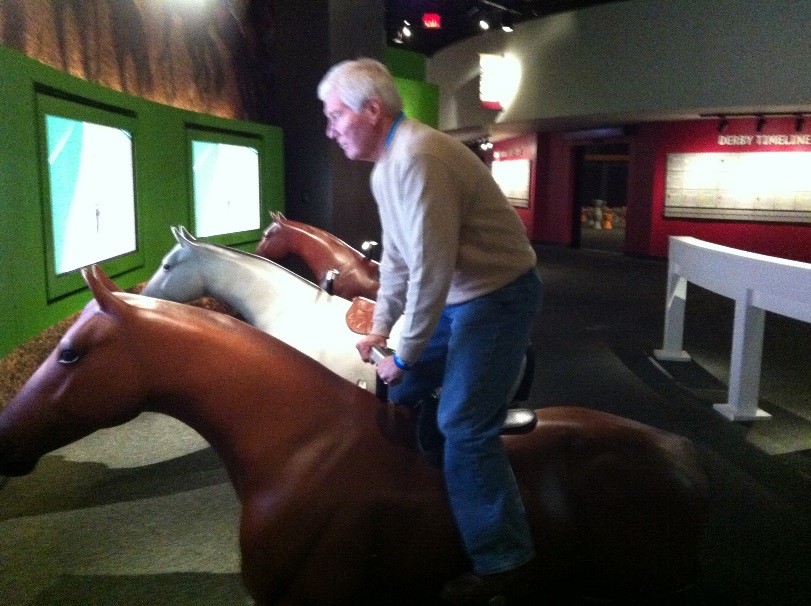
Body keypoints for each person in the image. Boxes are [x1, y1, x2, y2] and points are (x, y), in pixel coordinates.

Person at [317, 58, 543, 604]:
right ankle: (457, 493)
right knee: (403, 391)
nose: (330, 128)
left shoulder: (419, 157)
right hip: (458, 299)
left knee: (463, 426)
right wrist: (383, 328)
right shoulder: (385, 167)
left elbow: (433, 270)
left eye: (335, 115)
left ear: (372, 111)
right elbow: (397, 263)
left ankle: (503, 561)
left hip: (496, 297)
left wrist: (407, 352)